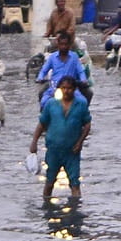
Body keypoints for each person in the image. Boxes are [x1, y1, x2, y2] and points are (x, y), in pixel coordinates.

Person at [32, 75, 91, 204]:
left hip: (72, 151)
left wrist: (80, 142)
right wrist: (34, 142)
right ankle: (46, 206)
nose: (66, 91)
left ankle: (76, 211)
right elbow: (41, 124)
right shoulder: (51, 104)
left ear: (74, 89)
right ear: (59, 89)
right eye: (63, 88)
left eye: (69, 88)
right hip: (53, 150)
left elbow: (87, 124)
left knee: (74, 183)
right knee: (49, 181)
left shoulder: (81, 105)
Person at [35, 30, 90, 101]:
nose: (63, 47)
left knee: (82, 102)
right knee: (44, 101)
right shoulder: (52, 57)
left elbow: (80, 71)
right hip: (55, 89)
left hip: (71, 90)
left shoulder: (74, 57)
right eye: (62, 44)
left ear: (69, 45)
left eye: (65, 44)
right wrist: (40, 78)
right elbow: (43, 70)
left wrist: (83, 80)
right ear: (58, 44)